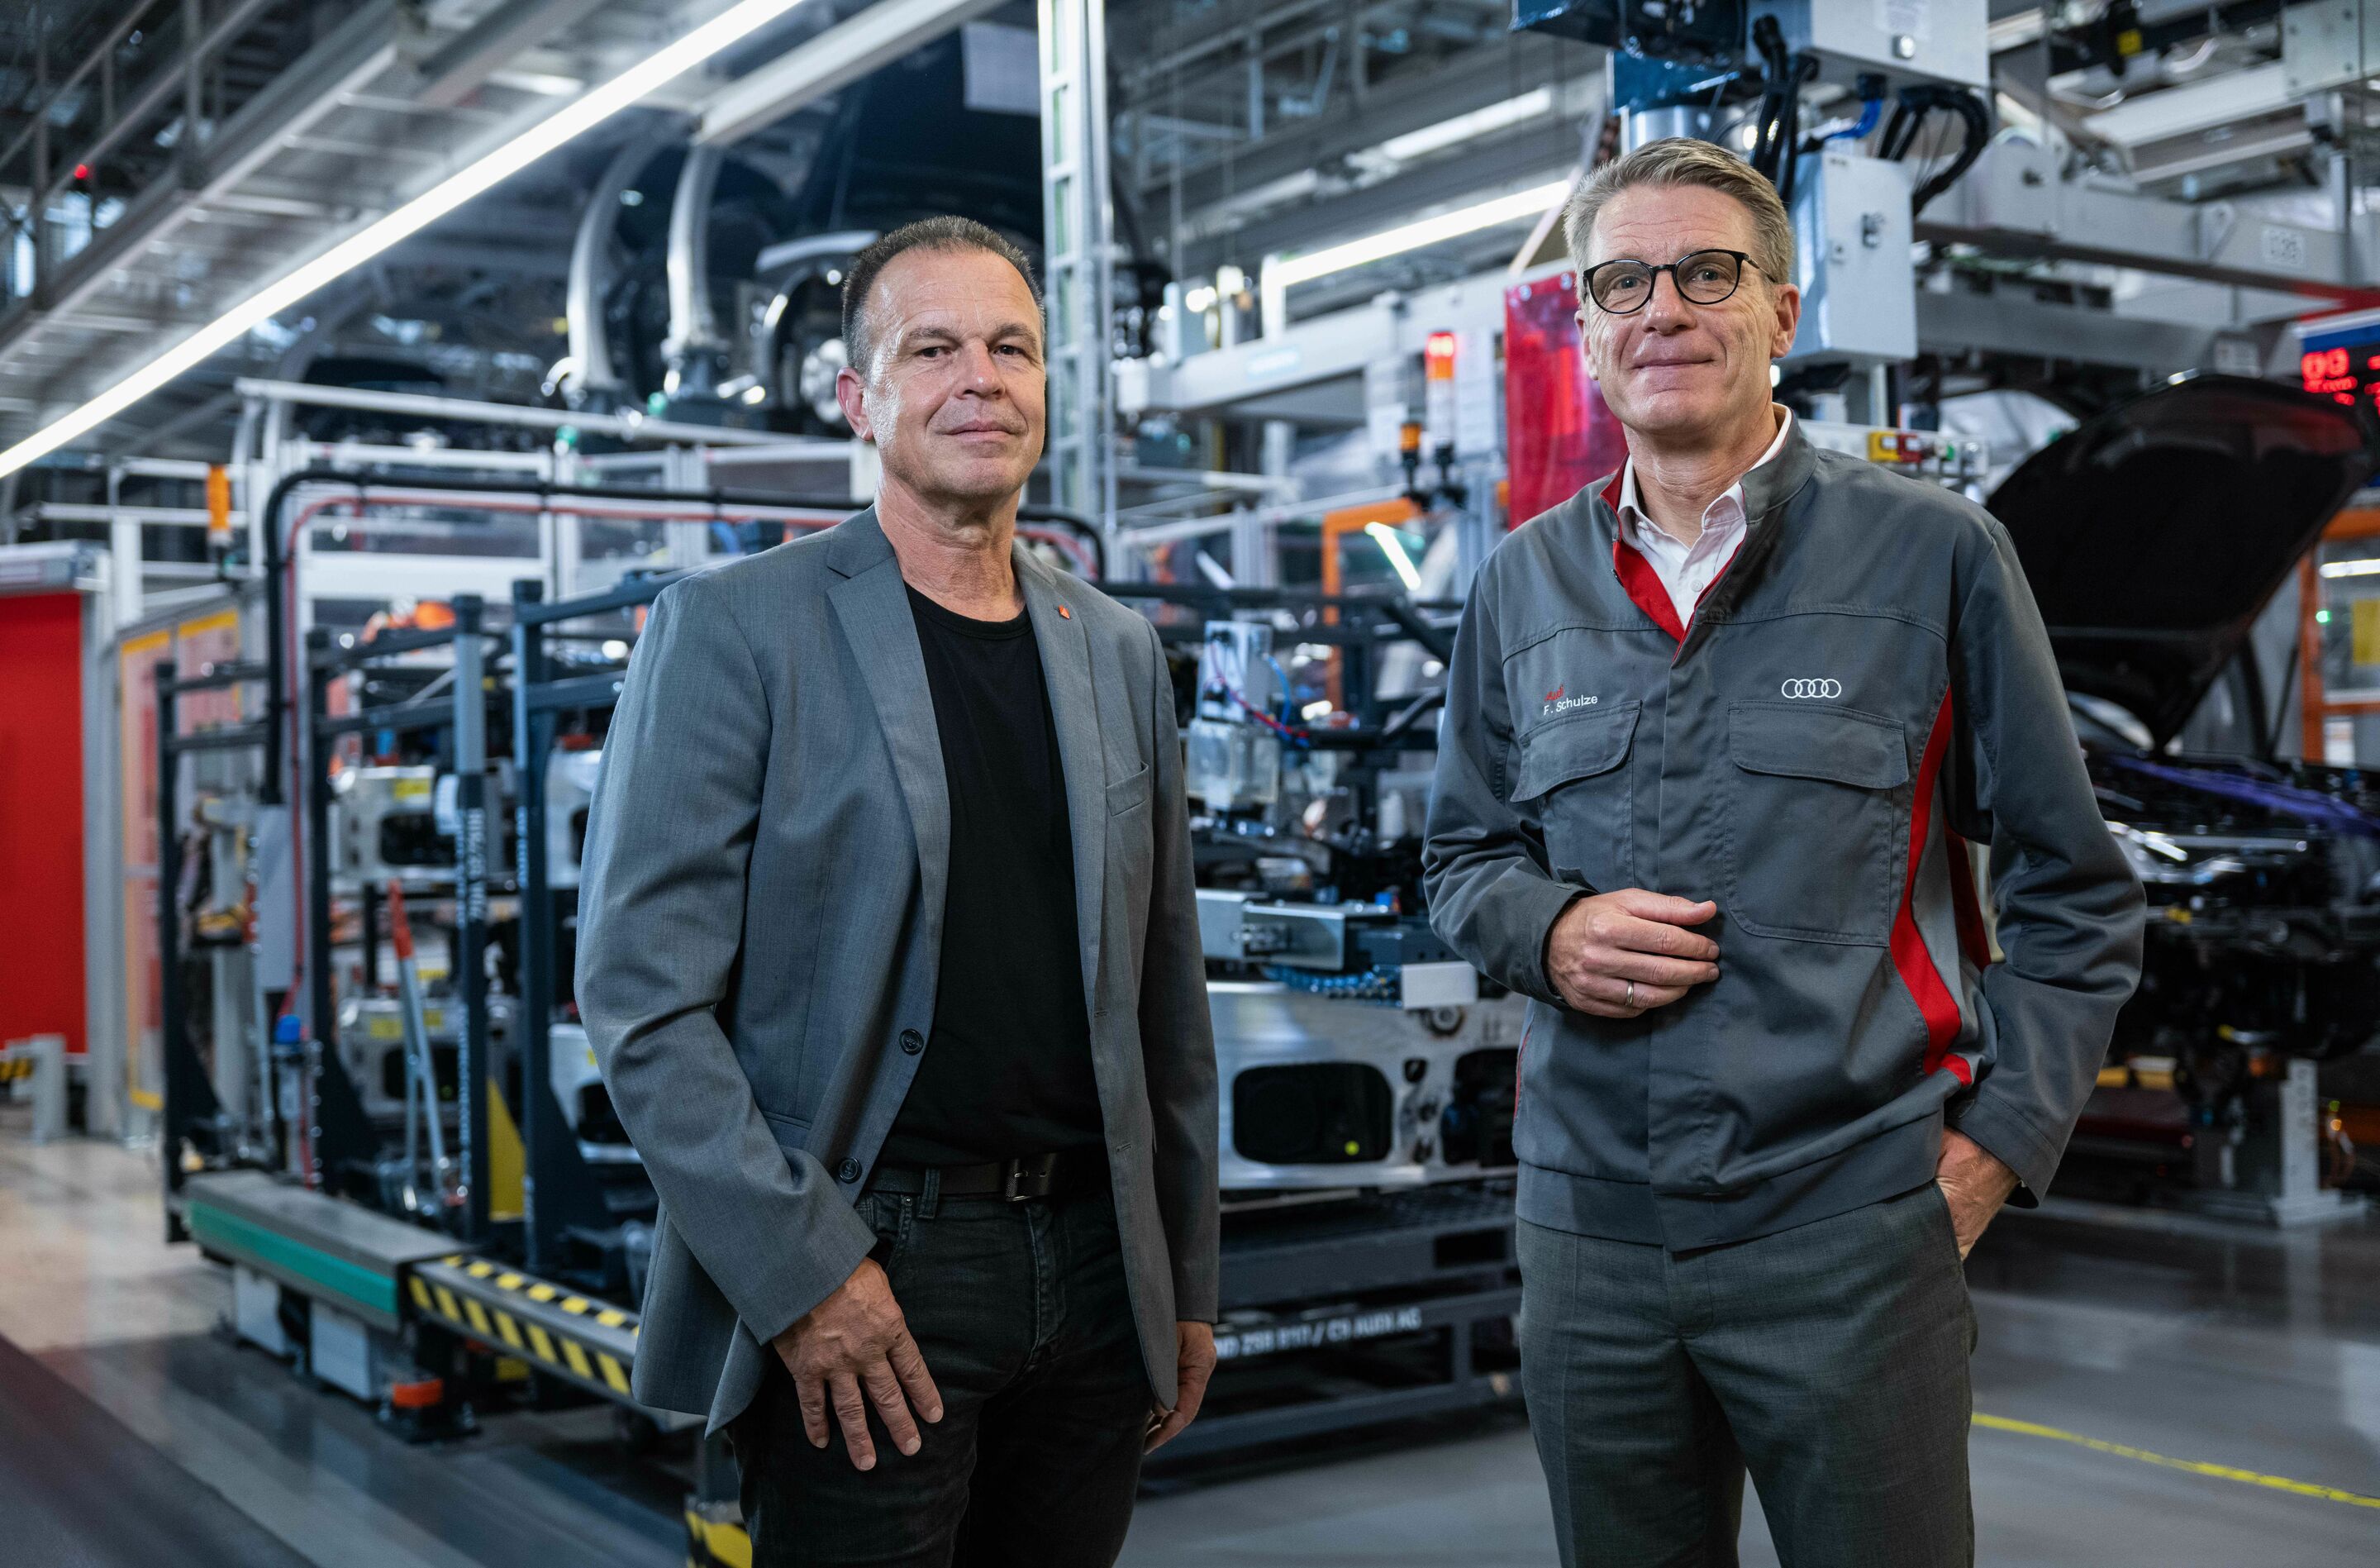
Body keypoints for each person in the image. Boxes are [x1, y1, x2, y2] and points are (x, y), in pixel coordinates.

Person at [1422, 139, 2144, 1566]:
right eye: (1622, 279)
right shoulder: (1520, 586)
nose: (1664, 309)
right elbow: (1461, 857)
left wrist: (1994, 1151)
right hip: (1593, 1240)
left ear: (1783, 311)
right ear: (1586, 323)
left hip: (1854, 1235)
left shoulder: (1934, 555)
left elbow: (2081, 892)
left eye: (1707, 272)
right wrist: (1546, 931)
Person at [575, 216, 1219, 1568]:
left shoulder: (1114, 649)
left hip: (1103, 1269)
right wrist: (804, 1270)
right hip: (877, 1263)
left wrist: (1187, 1277)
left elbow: (1166, 996)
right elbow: (642, 999)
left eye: (1011, 347)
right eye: (933, 349)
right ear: (861, 401)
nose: (979, 378)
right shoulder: (738, 628)